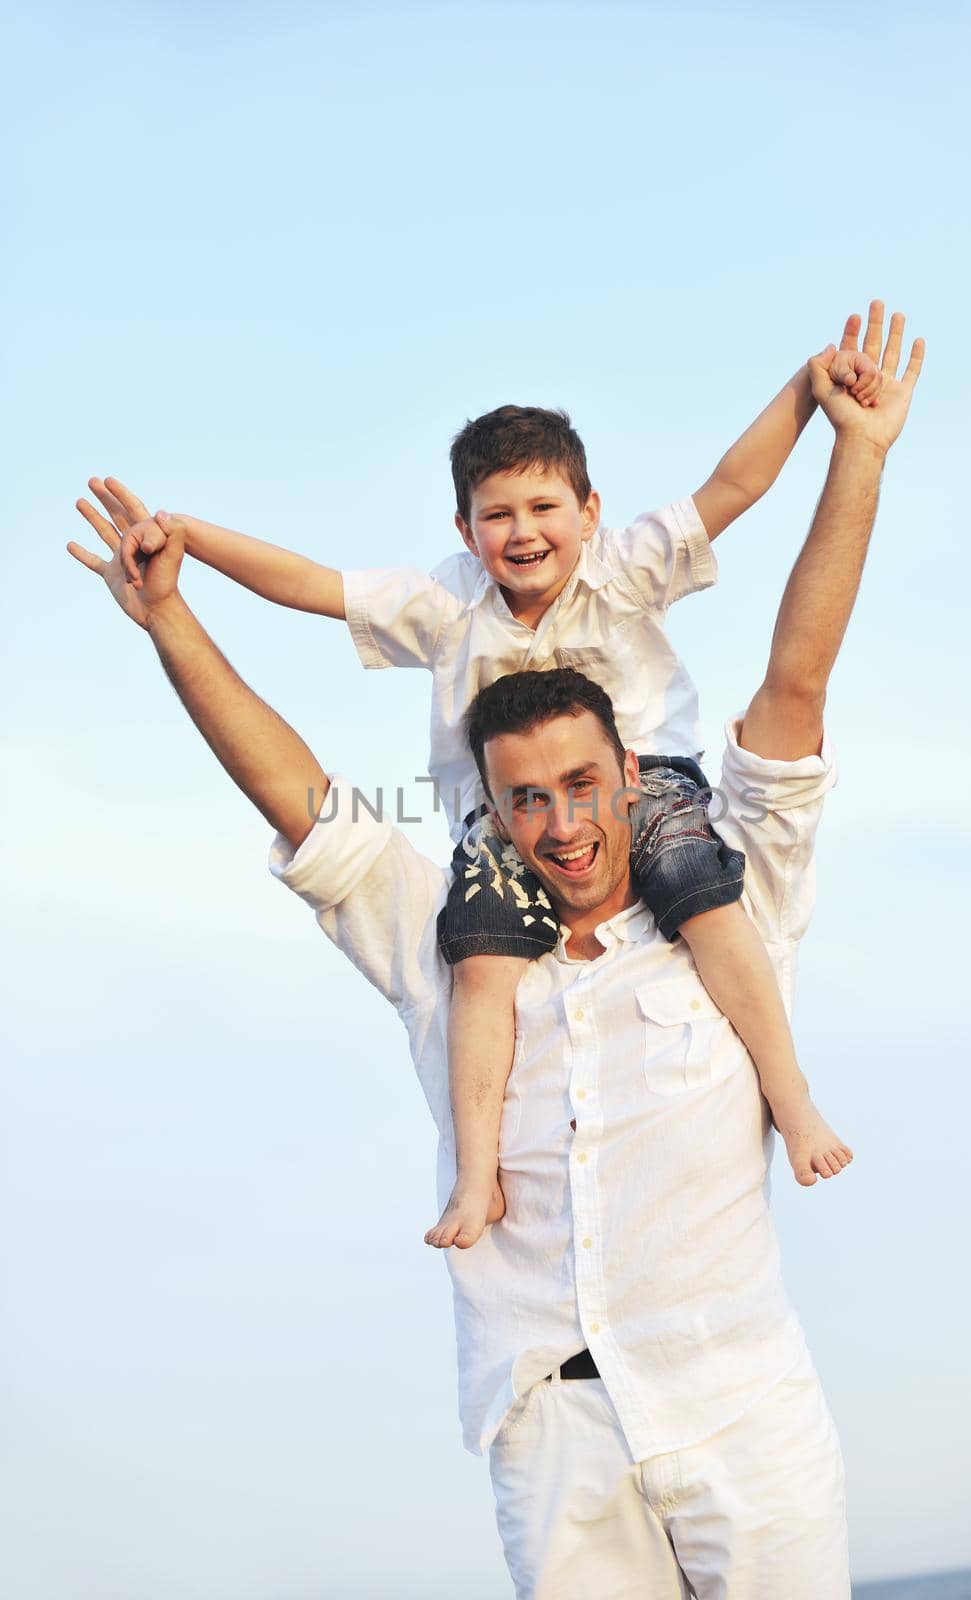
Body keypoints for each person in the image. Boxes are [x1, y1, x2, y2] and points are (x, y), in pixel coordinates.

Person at [67, 304, 924, 1597]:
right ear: (488, 802)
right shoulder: (457, 939)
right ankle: (472, 1175)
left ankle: (794, 1089)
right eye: (526, 799)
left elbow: (791, 677)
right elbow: (298, 793)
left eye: (584, 788)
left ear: (624, 773)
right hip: (553, 1434)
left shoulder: (724, 888)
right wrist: (171, 608)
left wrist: (845, 439)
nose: (562, 824)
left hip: (739, 1410)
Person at [103, 316, 883, 1249]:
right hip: (492, 819)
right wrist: (192, 537)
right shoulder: (442, 605)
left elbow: (734, 483)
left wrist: (807, 392)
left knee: (703, 897)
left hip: (652, 786)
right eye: (497, 514)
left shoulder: (626, 567)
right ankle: (477, 1178)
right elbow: (312, 584)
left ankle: (791, 1100)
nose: (522, 533)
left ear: (588, 512)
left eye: (544, 507)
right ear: (464, 529)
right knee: (478, 962)